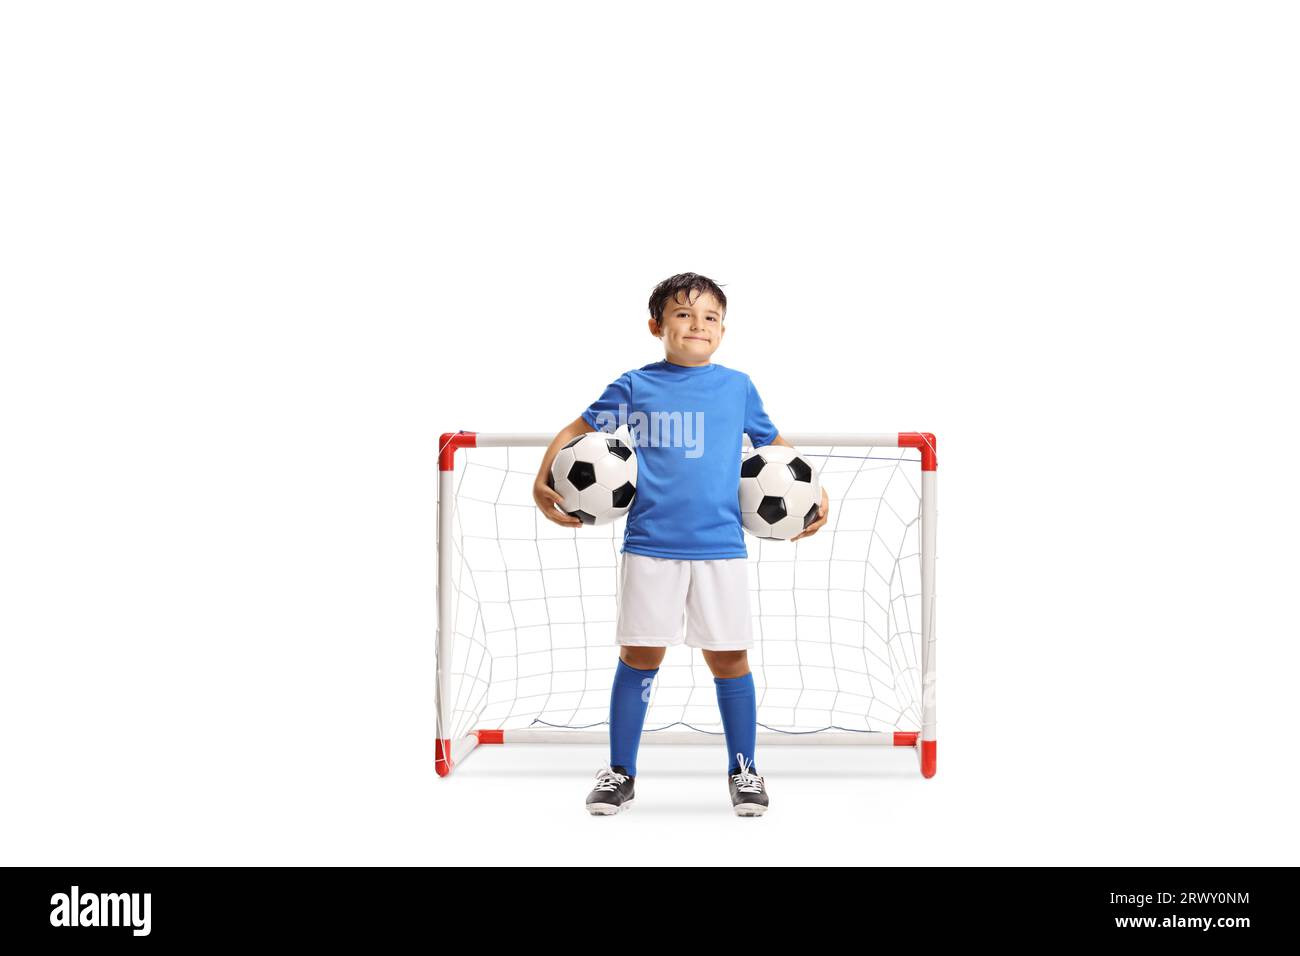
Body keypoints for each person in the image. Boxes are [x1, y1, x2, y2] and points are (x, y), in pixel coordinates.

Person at [532, 273, 829, 816]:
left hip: (720, 548)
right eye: (684, 315)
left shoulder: (738, 386)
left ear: (723, 330)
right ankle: (620, 771)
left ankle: (744, 770)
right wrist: (541, 476)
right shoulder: (635, 385)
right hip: (650, 545)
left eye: (710, 317)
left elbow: (774, 445)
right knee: (640, 656)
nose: (698, 325)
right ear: (657, 325)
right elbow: (576, 429)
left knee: (730, 658)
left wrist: (814, 489)